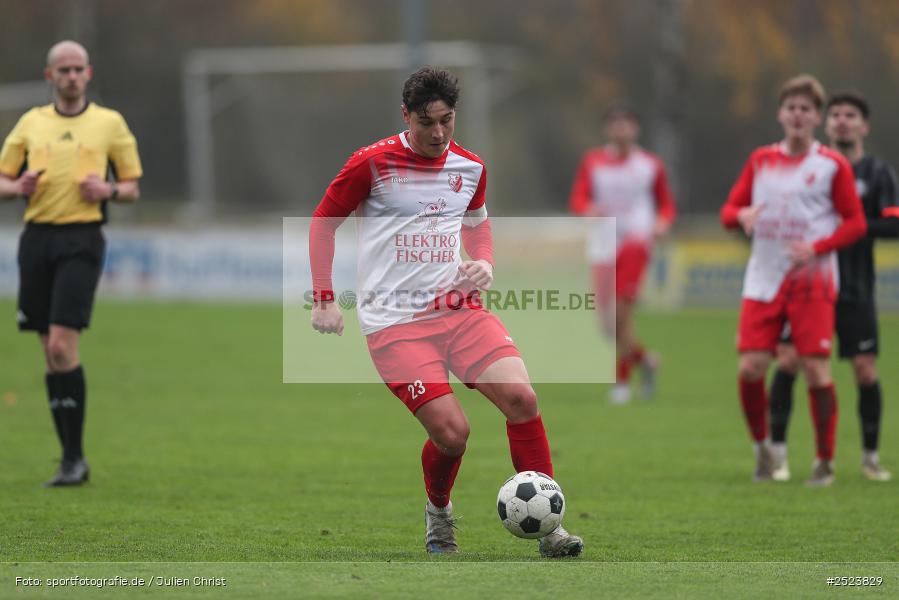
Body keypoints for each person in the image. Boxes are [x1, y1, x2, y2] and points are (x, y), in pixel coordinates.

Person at [309, 67, 583, 557]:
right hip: (395, 324)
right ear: (406, 116)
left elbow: (477, 226)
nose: (438, 133)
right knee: (453, 434)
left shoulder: (471, 167)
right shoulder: (370, 163)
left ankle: (550, 527)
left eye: (447, 121)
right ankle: (439, 513)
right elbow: (323, 224)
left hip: (459, 311)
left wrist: (484, 263)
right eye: (426, 122)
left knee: (522, 399)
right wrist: (325, 299)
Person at [0, 41, 142, 486]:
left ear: (89, 73)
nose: (71, 76)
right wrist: (16, 185)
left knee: (62, 346)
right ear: (49, 76)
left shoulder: (109, 124)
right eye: (63, 69)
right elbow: (2, 179)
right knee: (49, 351)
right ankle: (69, 461)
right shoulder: (30, 123)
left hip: (82, 238)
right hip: (37, 238)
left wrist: (109, 191)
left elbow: (133, 187)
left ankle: (74, 458)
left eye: (78, 68)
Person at [720, 74, 866, 486]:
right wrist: (740, 217)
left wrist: (818, 248)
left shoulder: (831, 165)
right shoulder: (761, 160)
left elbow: (855, 223)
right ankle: (763, 450)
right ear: (781, 114)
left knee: (817, 372)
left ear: (816, 117)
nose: (798, 115)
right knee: (751, 368)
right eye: (792, 108)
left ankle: (824, 461)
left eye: (806, 108)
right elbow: (729, 209)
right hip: (764, 279)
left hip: (813, 282)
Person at [767, 92, 899, 482]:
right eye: (836, 114)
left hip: (854, 287)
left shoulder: (878, 173)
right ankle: (778, 457)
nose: (842, 121)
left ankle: (870, 457)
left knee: (864, 370)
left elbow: (893, 223)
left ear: (864, 125)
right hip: (807, 285)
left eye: (851, 115)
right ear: (826, 123)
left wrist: (847, 225)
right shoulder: (814, 169)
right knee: (788, 361)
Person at [568, 106, 676, 404]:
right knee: (606, 324)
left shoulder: (649, 165)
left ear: (635, 128)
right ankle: (646, 361)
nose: (621, 130)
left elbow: (666, 204)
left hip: (635, 242)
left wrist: (662, 222)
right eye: (615, 125)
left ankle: (622, 382)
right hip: (603, 243)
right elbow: (578, 197)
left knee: (619, 316)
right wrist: (588, 209)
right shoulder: (593, 162)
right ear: (607, 130)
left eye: (626, 124)